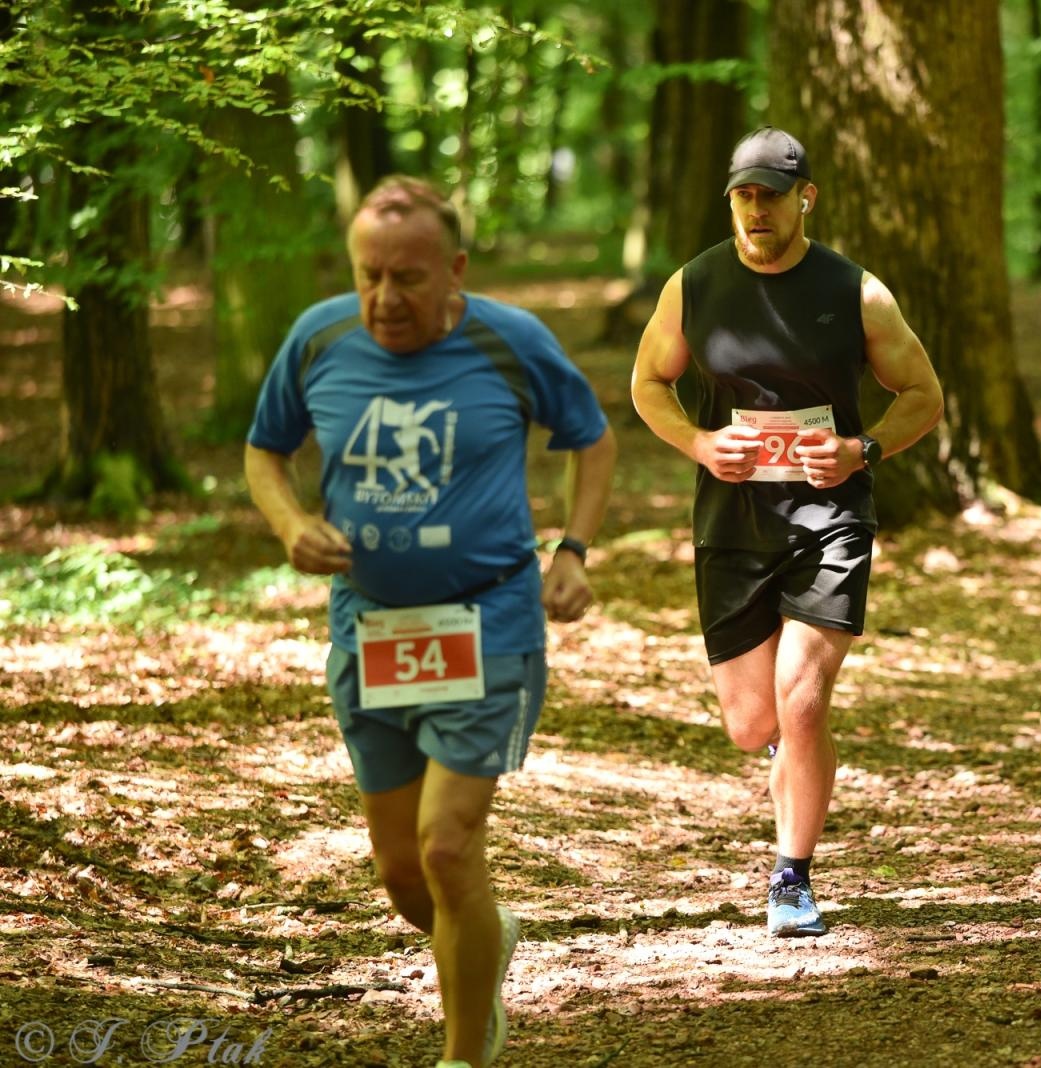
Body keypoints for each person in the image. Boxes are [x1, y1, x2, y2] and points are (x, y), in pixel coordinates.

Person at [244, 176, 617, 1067]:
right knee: (407, 878)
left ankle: (462, 1054)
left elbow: (592, 439)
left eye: (407, 278)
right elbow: (266, 452)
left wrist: (572, 552)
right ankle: (487, 942)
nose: (384, 298)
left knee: (448, 847)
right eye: (369, 275)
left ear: (454, 269)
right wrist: (293, 525)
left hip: (488, 620)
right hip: (369, 630)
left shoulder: (509, 340)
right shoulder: (320, 337)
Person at [630, 126, 943, 935]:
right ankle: (787, 763)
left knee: (802, 703)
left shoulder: (855, 292)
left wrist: (861, 449)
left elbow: (922, 395)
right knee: (753, 723)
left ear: (806, 198)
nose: (757, 208)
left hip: (828, 520)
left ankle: (791, 876)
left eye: (772, 193)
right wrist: (698, 443)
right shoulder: (693, 286)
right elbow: (647, 384)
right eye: (744, 194)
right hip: (732, 523)